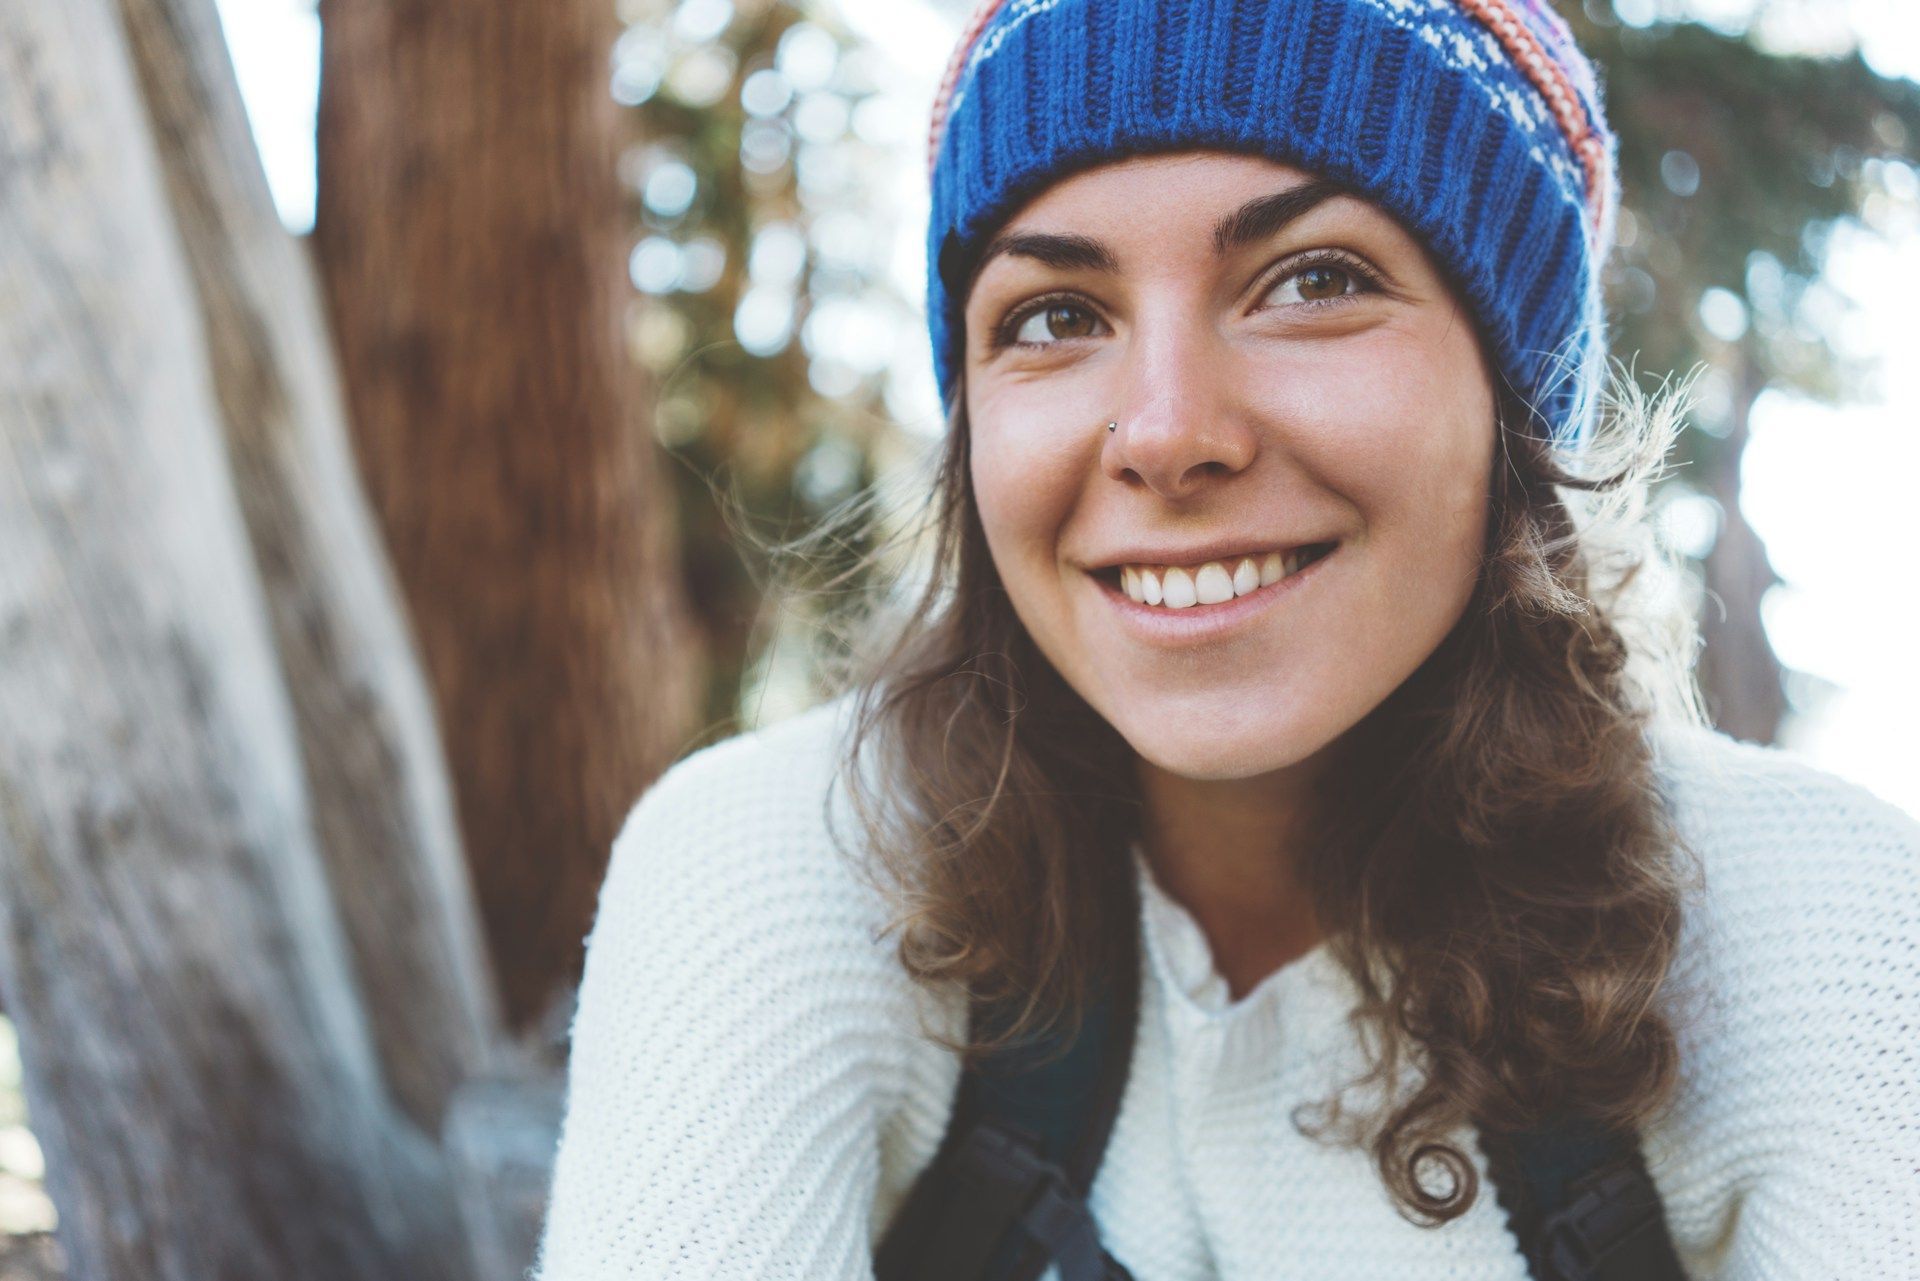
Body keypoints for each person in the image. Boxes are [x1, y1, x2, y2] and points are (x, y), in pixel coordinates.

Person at [532, 1, 1920, 1277]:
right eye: (1057, 315)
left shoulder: (1809, 925)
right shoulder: (782, 859)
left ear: (1518, 407)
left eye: (1313, 281)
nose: (1169, 430)